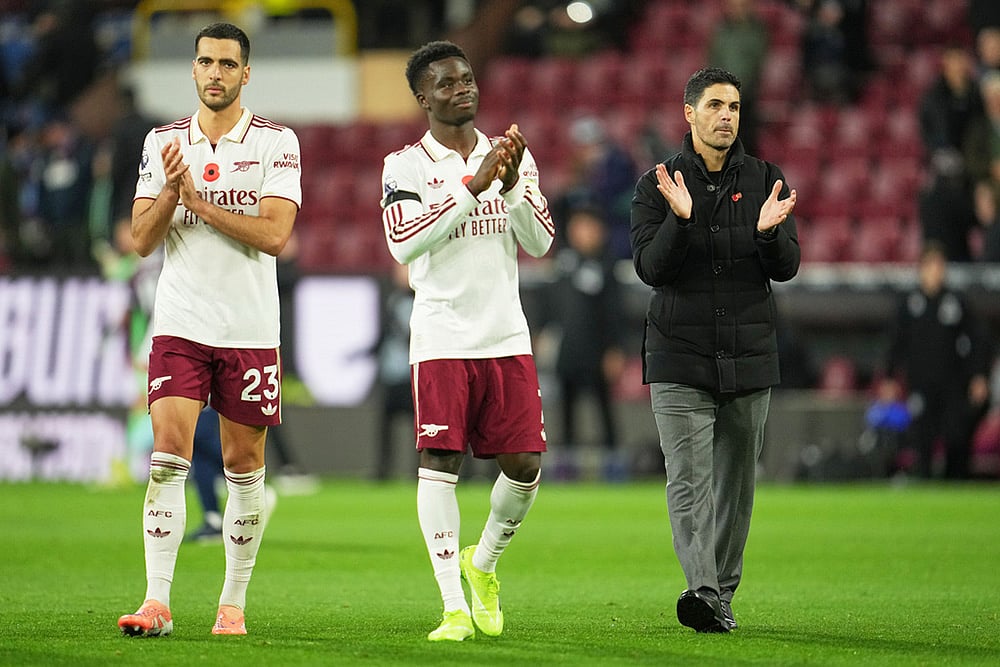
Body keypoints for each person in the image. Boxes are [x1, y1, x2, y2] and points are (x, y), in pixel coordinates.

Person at [117, 22, 301, 638]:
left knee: (242, 465)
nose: (215, 72)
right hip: (182, 323)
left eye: (227, 63)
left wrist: (196, 201)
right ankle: (156, 601)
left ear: (245, 74)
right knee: (166, 456)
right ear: (193, 71)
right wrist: (172, 191)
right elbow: (142, 241)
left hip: (249, 327)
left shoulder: (278, 143)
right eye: (205, 62)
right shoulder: (163, 142)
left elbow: (275, 235)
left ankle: (232, 603)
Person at [379, 40, 554, 642]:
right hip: (442, 333)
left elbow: (539, 242)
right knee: (441, 462)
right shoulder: (403, 165)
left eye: (468, 79)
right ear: (422, 97)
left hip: (506, 332)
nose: (463, 90)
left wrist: (506, 185)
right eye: (447, 83)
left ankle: (483, 567)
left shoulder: (511, 157)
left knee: (526, 465)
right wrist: (473, 187)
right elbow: (403, 242)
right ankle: (453, 606)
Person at [630, 67, 799, 633]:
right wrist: (680, 221)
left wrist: (771, 234)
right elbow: (651, 269)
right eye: (716, 106)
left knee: (737, 487)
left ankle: (721, 594)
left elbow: (788, 266)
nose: (727, 115)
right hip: (680, 355)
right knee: (688, 480)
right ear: (689, 114)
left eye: (734, 106)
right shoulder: (657, 184)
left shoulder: (765, 179)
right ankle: (702, 589)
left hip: (748, 354)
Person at [880, 242, 992, 479]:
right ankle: (925, 484)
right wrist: (889, 377)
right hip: (921, 384)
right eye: (930, 267)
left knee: (956, 436)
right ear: (921, 269)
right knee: (922, 438)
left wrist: (979, 376)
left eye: (939, 266)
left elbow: (978, 341)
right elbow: (896, 344)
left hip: (952, 385)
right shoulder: (910, 305)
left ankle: (957, 482)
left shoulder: (956, 302)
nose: (935, 272)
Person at [545, 205, 628, 481]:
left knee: (604, 408)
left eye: (587, 226)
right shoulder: (564, 262)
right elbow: (550, 304)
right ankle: (566, 466)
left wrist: (615, 349)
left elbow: (616, 312)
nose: (582, 233)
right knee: (565, 410)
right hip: (569, 351)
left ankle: (614, 464)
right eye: (577, 226)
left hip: (598, 352)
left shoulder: (607, 265)